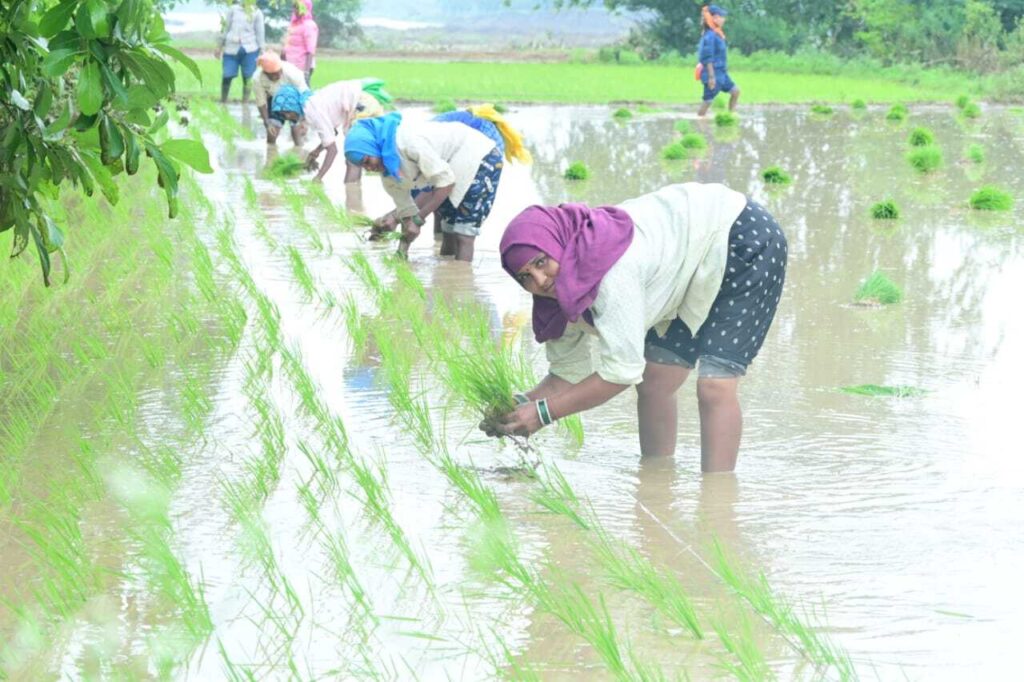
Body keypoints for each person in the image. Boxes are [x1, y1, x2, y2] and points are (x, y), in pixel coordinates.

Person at [482, 183, 787, 473]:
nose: (540, 281)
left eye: (541, 262)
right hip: (681, 264)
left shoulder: (612, 270)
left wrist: (543, 414)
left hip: (739, 235)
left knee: (714, 386)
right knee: (655, 382)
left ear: (557, 243)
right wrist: (517, 408)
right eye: (525, 277)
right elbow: (567, 374)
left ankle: (717, 504)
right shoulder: (557, 299)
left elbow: (622, 372)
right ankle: (656, 481)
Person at [343, 113, 505, 263]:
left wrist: (418, 220)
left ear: (372, 147)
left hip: (479, 156)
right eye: (363, 166)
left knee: (464, 233)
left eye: (367, 161)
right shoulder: (389, 175)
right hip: (448, 166)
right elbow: (406, 210)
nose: (368, 168)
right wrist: (401, 252)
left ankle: (462, 289)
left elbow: (446, 182)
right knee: (447, 229)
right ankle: (445, 281)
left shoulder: (408, 143)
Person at [425, 104, 532, 255]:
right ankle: (442, 250)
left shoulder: (419, 146)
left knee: (465, 229)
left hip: (484, 155)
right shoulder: (417, 143)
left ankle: (460, 271)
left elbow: (428, 194)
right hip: (456, 152)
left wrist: (414, 221)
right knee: (445, 214)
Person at [289, 79, 392, 184]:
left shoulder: (312, 113)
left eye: (286, 113)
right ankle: (355, 190)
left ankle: (351, 193)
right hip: (363, 101)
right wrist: (317, 151)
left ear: (293, 108)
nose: (287, 117)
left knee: (354, 157)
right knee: (358, 156)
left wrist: (318, 177)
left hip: (362, 105)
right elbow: (331, 134)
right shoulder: (311, 103)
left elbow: (332, 150)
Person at [252, 52, 309, 145]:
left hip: (295, 101)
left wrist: (304, 120)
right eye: (272, 74)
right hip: (274, 100)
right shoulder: (257, 78)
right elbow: (261, 102)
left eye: (278, 73)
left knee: (297, 132)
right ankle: (270, 155)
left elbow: (304, 95)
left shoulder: (293, 73)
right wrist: (267, 122)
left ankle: (299, 153)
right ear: (265, 73)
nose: (276, 76)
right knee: (272, 133)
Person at [215, 0, 266, 104]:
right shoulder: (233, 10)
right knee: (227, 75)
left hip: (250, 49)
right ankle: (223, 101)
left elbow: (260, 33)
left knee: (248, 78)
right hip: (231, 49)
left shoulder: (257, 12)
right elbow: (225, 28)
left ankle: (245, 103)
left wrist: (262, 51)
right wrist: (219, 46)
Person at [697, 4, 740, 117]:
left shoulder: (717, 34)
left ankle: (731, 115)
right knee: (708, 101)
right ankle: (699, 120)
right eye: (721, 16)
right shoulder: (709, 36)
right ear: (715, 18)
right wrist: (711, 77)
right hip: (713, 73)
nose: (723, 19)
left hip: (721, 73)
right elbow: (707, 58)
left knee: (735, 92)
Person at [284, 0, 319, 86]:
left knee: (303, 93)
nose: (295, 10)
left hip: (302, 66)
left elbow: (310, 50)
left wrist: (306, 72)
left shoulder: (309, 25)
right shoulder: (294, 24)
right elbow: (288, 43)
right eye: (294, 7)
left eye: (298, 8)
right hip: (290, 65)